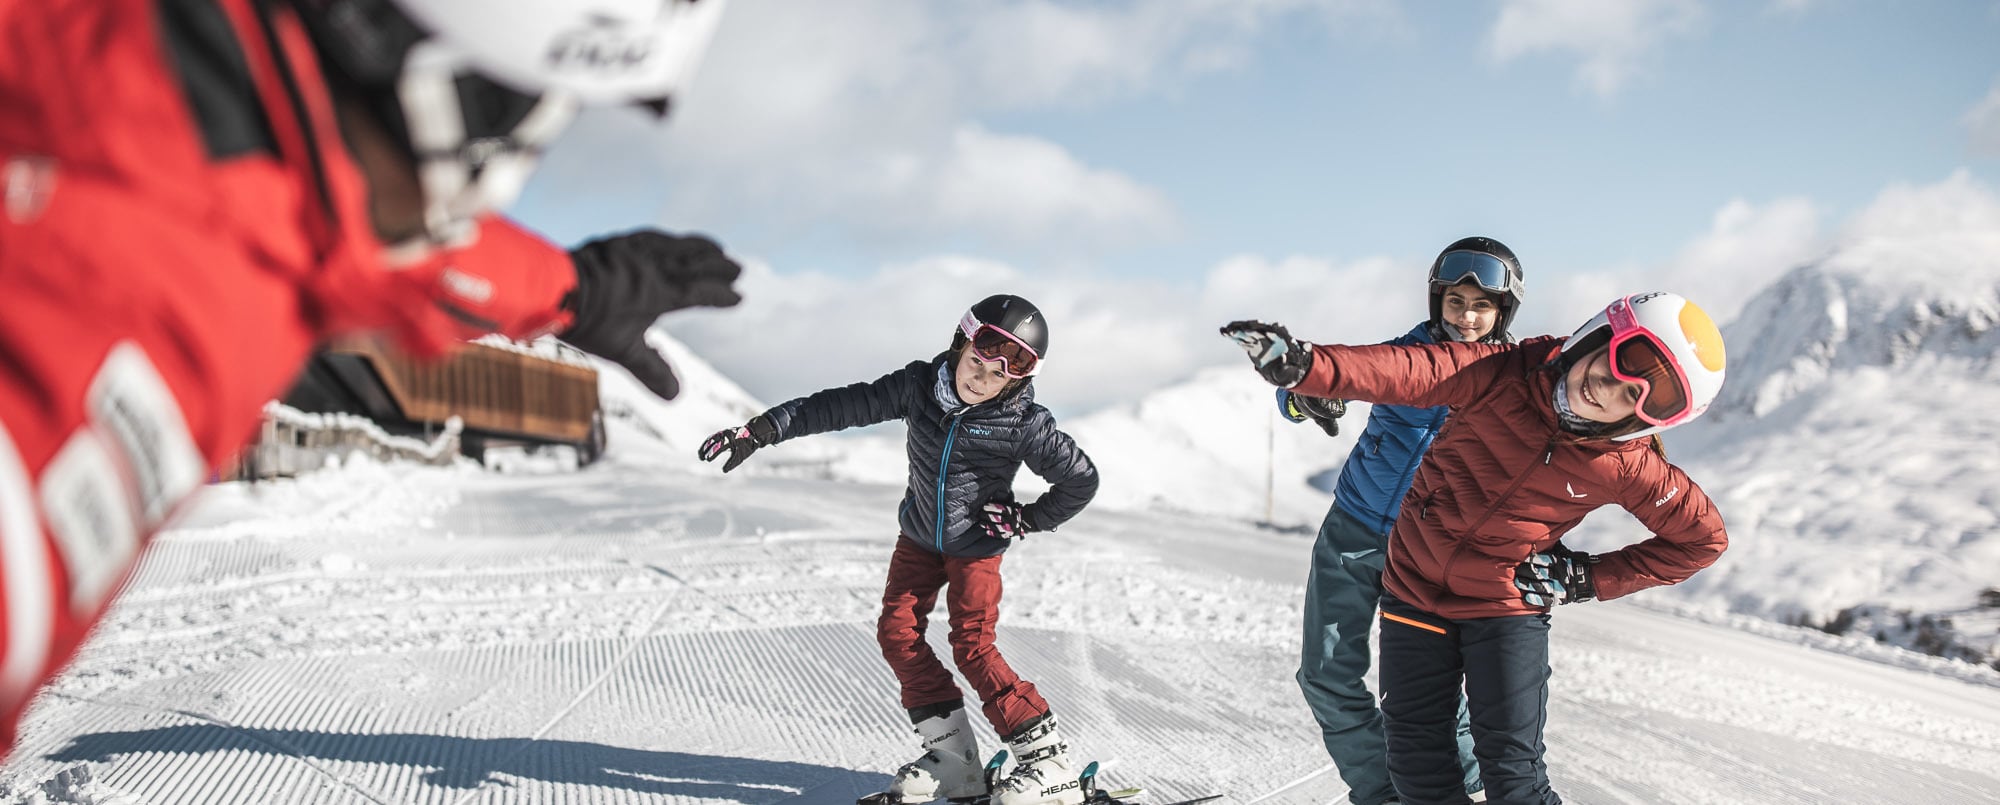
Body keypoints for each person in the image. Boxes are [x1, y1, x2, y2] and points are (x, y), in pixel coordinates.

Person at [0, 0, 742, 753]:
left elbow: (366, 240)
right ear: (442, 91)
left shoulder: (184, 109)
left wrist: (573, 287)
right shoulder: (142, 314)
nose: (500, 182)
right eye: (529, 125)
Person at [1223, 290, 1729, 805]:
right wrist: (1309, 367)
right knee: (1420, 772)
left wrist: (1588, 578)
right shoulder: (1505, 372)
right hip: (1414, 593)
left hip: (1503, 607)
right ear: (1594, 336)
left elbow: (1702, 539)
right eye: (1618, 364)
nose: (1608, 390)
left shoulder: (1625, 463)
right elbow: (1411, 372)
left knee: (1513, 779)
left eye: (1635, 398)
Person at [696, 295, 1101, 805]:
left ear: (1015, 381)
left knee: (973, 647)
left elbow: (1081, 481)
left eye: (997, 376)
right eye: (976, 362)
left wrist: (1028, 518)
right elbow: (841, 405)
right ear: (960, 345)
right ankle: (955, 762)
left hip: (976, 547)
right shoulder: (917, 387)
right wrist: (763, 428)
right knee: (897, 634)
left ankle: (1049, 764)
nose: (980, 379)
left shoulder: (1024, 423)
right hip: (918, 537)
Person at [1277, 237, 1526, 805]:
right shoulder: (1404, 357)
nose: (1467, 317)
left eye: (1482, 306)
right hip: (1353, 532)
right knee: (1325, 676)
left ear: (1503, 312)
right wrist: (1308, 397)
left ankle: (1457, 796)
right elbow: (1322, 377)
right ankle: (1382, 796)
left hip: (1431, 554)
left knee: (1438, 699)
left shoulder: (1511, 385)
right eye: (1456, 301)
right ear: (1438, 299)